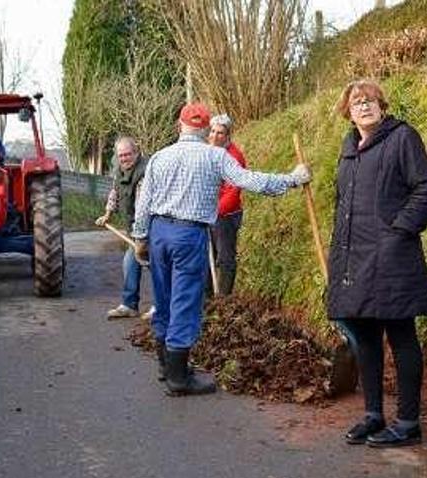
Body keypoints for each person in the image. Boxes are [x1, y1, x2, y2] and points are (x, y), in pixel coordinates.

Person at [132, 102, 311, 396]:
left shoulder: (159, 158)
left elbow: (144, 201)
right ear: (205, 130)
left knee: (163, 299)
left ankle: (167, 367)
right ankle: (178, 379)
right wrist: (292, 178)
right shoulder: (216, 157)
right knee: (185, 303)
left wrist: (141, 238)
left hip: (159, 232)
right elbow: (250, 180)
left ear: (180, 126)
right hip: (189, 235)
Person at [330, 80, 427, 448]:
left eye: (370, 101)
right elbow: (341, 208)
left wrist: (399, 231)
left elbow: (426, 188)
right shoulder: (348, 151)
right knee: (365, 336)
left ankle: (408, 422)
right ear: (348, 112)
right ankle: (373, 414)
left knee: (401, 335)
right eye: (357, 103)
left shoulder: (402, 138)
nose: (364, 107)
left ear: (382, 105)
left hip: (393, 257)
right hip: (354, 260)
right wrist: (338, 259)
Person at [95, 137, 155, 320]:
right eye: (121, 155)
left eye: (127, 154)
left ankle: (159, 307)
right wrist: (107, 214)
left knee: (155, 266)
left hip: (149, 228)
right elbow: (115, 193)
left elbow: (142, 207)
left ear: (136, 153)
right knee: (130, 263)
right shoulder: (120, 172)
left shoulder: (144, 172)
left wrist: (140, 238)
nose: (124, 159)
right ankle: (130, 305)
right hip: (134, 229)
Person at [207, 114, 247, 296]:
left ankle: (224, 299)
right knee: (207, 256)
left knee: (225, 258)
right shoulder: (208, 152)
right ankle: (206, 297)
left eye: (220, 133)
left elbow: (233, 191)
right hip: (209, 213)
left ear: (228, 135)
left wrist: (215, 212)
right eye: (213, 131)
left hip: (226, 215)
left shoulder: (234, 157)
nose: (215, 136)